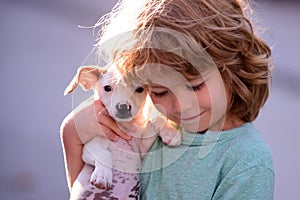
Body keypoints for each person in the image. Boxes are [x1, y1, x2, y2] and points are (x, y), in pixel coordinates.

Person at [60, 0, 274, 199]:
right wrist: (72, 131)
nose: (180, 106)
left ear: (232, 66)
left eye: (195, 86)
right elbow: (87, 190)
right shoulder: (150, 123)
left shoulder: (247, 162)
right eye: (160, 92)